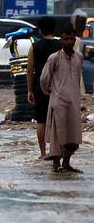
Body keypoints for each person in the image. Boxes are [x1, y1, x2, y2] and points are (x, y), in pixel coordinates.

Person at [40, 28, 83, 173]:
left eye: (72, 39)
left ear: (75, 39)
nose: (69, 42)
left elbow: (76, 79)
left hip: (74, 102)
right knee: (58, 135)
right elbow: (44, 79)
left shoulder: (79, 57)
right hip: (59, 102)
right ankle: (55, 165)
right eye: (66, 39)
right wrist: (49, 91)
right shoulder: (54, 58)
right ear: (61, 40)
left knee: (73, 135)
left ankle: (66, 163)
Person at [26, 17, 60, 160]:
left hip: (40, 87)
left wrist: (29, 90)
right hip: (58, 87)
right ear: (54, 28)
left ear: (40, 30)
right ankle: (57, 151)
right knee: (58, 120)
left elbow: (30, 70)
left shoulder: (34, 47)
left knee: (41, 120)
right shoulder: (60, 46)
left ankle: (43, 153)